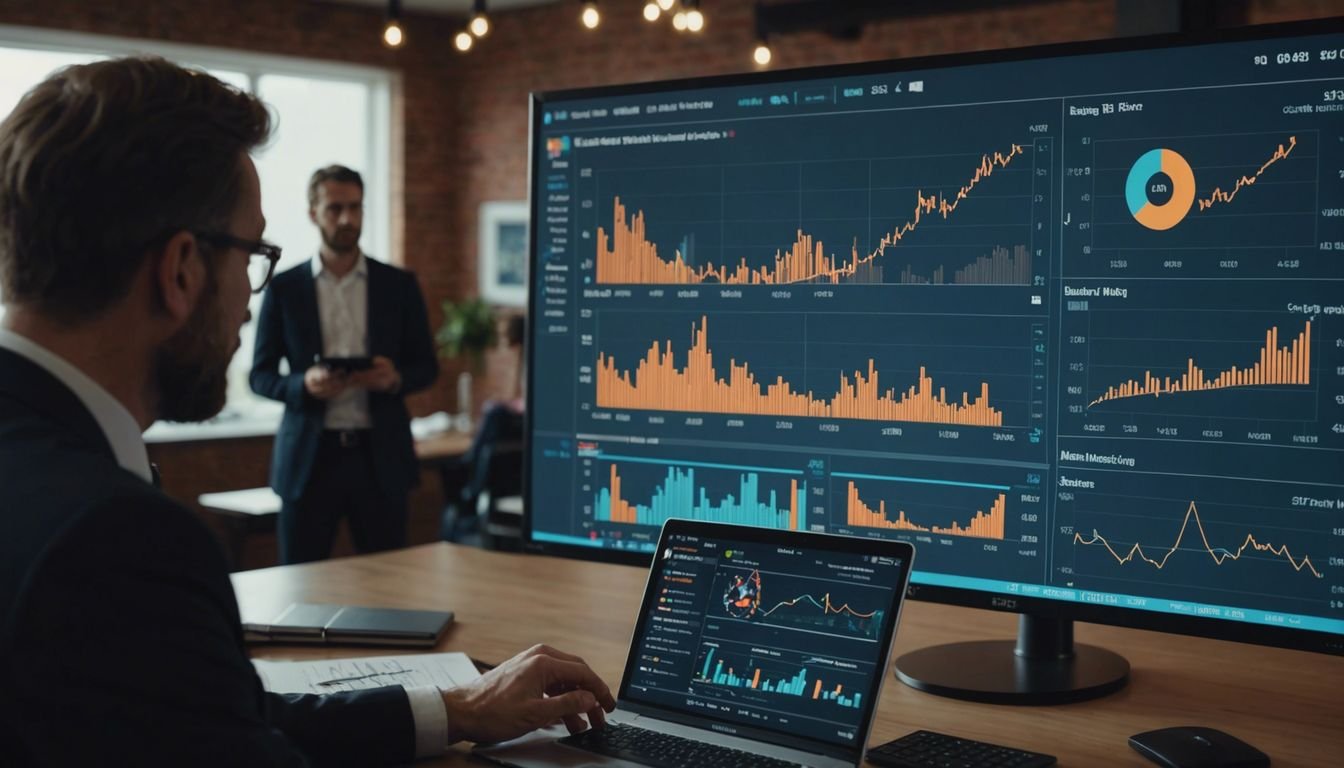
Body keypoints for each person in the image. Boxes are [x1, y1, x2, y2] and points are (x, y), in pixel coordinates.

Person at [0, 57, 613, 765]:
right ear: (180, 271)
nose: (251, 297)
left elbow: (215, 709)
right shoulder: (119, 539)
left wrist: (458, 709)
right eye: (253, 252)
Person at [250, 164, 438, 564]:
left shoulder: (399, 285)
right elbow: (260, 375)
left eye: (355, 207)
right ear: (313, 212)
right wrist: (303, 385)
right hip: (309, 462)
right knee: (299, 584)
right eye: (335, 208)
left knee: (391, 585)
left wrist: (393, 379)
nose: (347, 219)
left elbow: (427, 367)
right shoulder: (284, 289)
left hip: (380, 459)